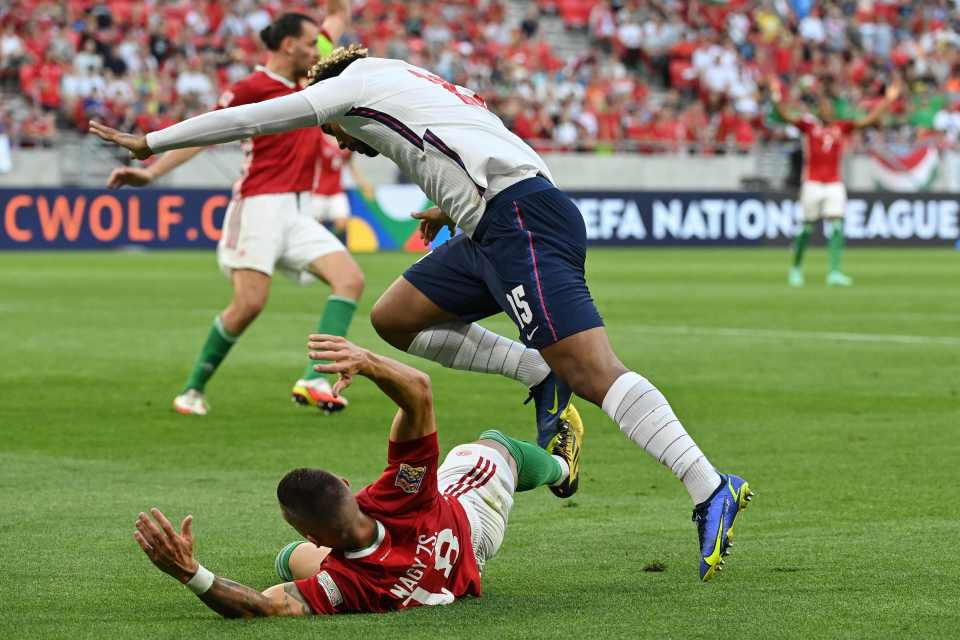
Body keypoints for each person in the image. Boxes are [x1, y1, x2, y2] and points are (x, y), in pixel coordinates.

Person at [90, 47, 752, 581]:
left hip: (519, 223)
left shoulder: (347, 89)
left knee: (592, 370)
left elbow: (253, 119)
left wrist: (152, 141)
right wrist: (450, 203)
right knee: (396, 315)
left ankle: (707, 486)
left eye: (336, 135)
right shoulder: (407, 75)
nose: (344, 145)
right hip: (494, 223)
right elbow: (478, 133)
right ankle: (536, 373)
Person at [131, 335, 584, 617]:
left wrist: (190, 573)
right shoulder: (399, 493)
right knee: (490, 447)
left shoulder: (344, 586)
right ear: (348, 486)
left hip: (438, 581)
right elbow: (419, 392)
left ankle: (297, 551)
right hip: (469, 533)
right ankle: (562, 468)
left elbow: (262, 605)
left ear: (312, 533)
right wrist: (365, 361)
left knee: (289, 560)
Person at [104, 5, 365, 416]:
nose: (319, 47)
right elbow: (203, 134)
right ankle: (191, 390)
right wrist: (152, 174)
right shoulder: (251, 87)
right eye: (311, 41)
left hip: (299, 209)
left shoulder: (311, 74)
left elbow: (337, 14)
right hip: (259, 206)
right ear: (287, 44)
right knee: (249, 305)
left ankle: (314, 377)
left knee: (349, 279)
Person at [770, 77, 900, 287]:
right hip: (812, 182)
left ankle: (834, 272)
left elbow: (868, 120)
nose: (826, 109)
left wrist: (887, 100)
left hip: (833, 183)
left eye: (828, 107)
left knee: (837, 225)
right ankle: (796, 268)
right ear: (818, 111)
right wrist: (776, 96)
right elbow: (784, 115)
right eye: (822, 107)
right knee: (807, 229)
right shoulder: (808, 127)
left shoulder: (842, 127)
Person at [311, 130, 376, 241]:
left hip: (336, 191)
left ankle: (329, 244)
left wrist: (364, 184)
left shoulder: (347, 145)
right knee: (315, 225)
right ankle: (318, 248)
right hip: (319, 192)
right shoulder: (320, 141)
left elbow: (350, 166)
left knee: (342, 223)